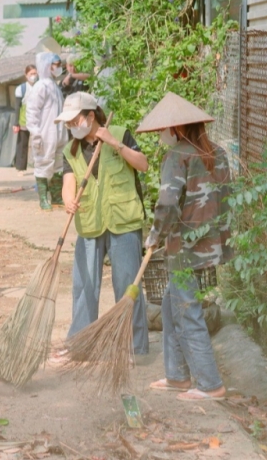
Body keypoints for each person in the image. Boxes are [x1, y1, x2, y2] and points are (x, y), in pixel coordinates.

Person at [138, 92, 233, 401]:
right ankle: (177, 375)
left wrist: (154, 235)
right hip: (209, 242)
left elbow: (167, 204)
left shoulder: (177, 156)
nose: (160, 136)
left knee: (186, 311)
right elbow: (226, 200)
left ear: (176, 128)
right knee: (170, 306)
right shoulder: (217, 153)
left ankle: (210, 384)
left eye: (162, 131)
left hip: (183, 248)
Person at [54, 91, 150, 359]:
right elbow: (68, 183)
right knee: (85, 286)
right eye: (68, 123)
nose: (72, 127)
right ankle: (81, 346)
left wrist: (114, 143)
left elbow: (143, 165)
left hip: (123, 221)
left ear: (90, 116)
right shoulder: (70, 149)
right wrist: (68, 201)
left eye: (75, 121)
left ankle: (136, 348)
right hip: (90, 223)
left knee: (127, 285)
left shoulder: (119, 132)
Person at [25, 52, 66, 211]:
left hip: (59, 133)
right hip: (45, 134)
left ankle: (56, 197)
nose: (59, 68)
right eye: (56, 65)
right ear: (48, 66)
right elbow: (32, 112)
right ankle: (43, 199)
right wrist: (35, 133)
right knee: (43, 163)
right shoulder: (40, 86)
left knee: (58, 165)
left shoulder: (54, 86)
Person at [13, 64, 37, 173]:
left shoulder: (40, 86)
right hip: (24, 120)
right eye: (31, 74)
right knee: (22, 144)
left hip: (38, 120)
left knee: (38, 144)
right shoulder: (21, 89)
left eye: (35, 73)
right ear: (26, 75)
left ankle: (39, 167)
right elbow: (17, 107)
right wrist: (15, 123)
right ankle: (20, 168)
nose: (33, 76)